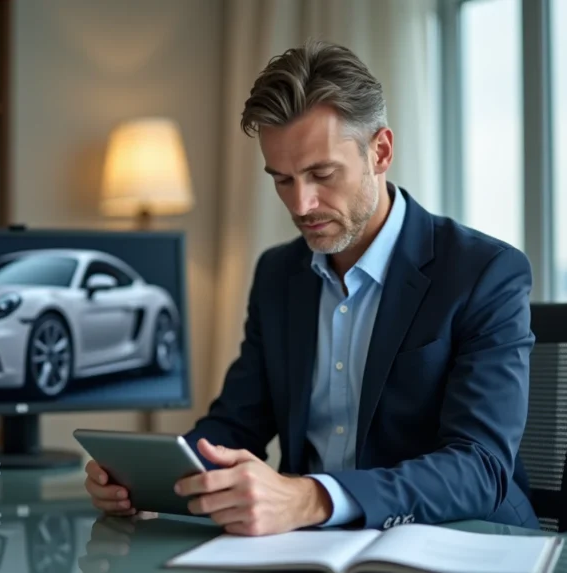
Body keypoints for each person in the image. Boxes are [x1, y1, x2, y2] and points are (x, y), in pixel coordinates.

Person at [85, 39, 539, 536]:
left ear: (380, 151)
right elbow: (237, 425)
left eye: (321, 174)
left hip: (461, 542)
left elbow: (480, 468)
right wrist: (158, 479)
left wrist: (313, 498)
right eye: (282, 180)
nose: (301, 205)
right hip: (315, 548)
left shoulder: (484, 272)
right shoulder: (279, 275)